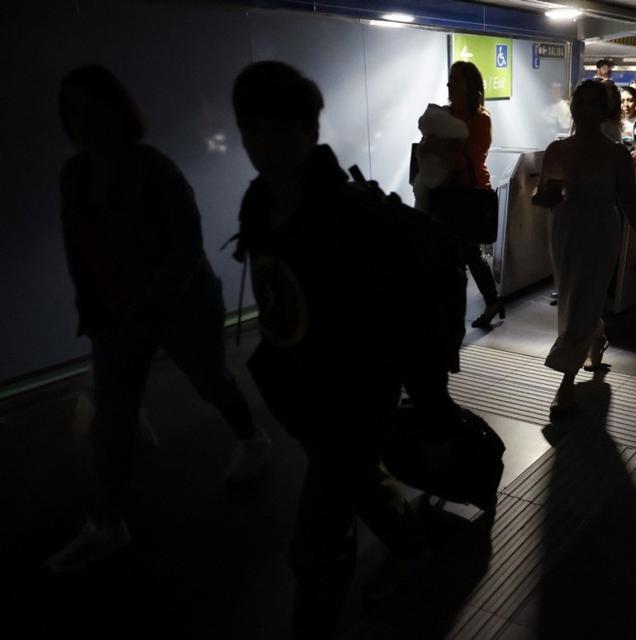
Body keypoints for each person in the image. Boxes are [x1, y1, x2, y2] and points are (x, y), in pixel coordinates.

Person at [231, 61, 429, 638]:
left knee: (316, 539)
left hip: (354, 393)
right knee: (355, 480)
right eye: (251, 129)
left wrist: (421, 399)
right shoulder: (258, 203)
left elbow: (393, 314)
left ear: (309, 129)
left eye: (279, 128)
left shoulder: (351, 214)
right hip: (298, 388)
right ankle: (411, 546)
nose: (263, 144)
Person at [47, 65, 268, 574]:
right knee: (113, 415)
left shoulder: (154, 169)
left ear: (116, 110)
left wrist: (147, 305)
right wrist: (92, 306)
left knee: (210, 380)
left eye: (91, 109)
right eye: (72, 112)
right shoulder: (75, 176)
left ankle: (252, 437)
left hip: (182, 303)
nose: (82, 121)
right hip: (117, 312)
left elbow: (186, 245)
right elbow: (77, 248)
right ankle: (107, 522)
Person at [535, 81, 636, 416]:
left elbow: (630, 201)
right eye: (579, 100)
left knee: (580, 301)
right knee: (574, 298)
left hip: (601, 232)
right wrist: (544, 197)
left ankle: (566, 384)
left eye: (591, 102)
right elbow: (544, 195)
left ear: (603, 110)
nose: (582, 108)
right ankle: (597, 334)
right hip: (564, 230)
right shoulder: (557, 149)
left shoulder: (616, 154)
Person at [420, 61, 504, 328]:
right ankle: (486, 303)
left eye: (456, 79)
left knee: (466, 253)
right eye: (450, 79)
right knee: (462, 254)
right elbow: (426, 148)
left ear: (470, 85)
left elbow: (464, 162)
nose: (449, 84)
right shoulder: (444, 115)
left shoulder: (481, 119)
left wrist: (437, 146)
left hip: (470, 194)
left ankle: (475, 307)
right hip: (445, 193)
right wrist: (438, 148)